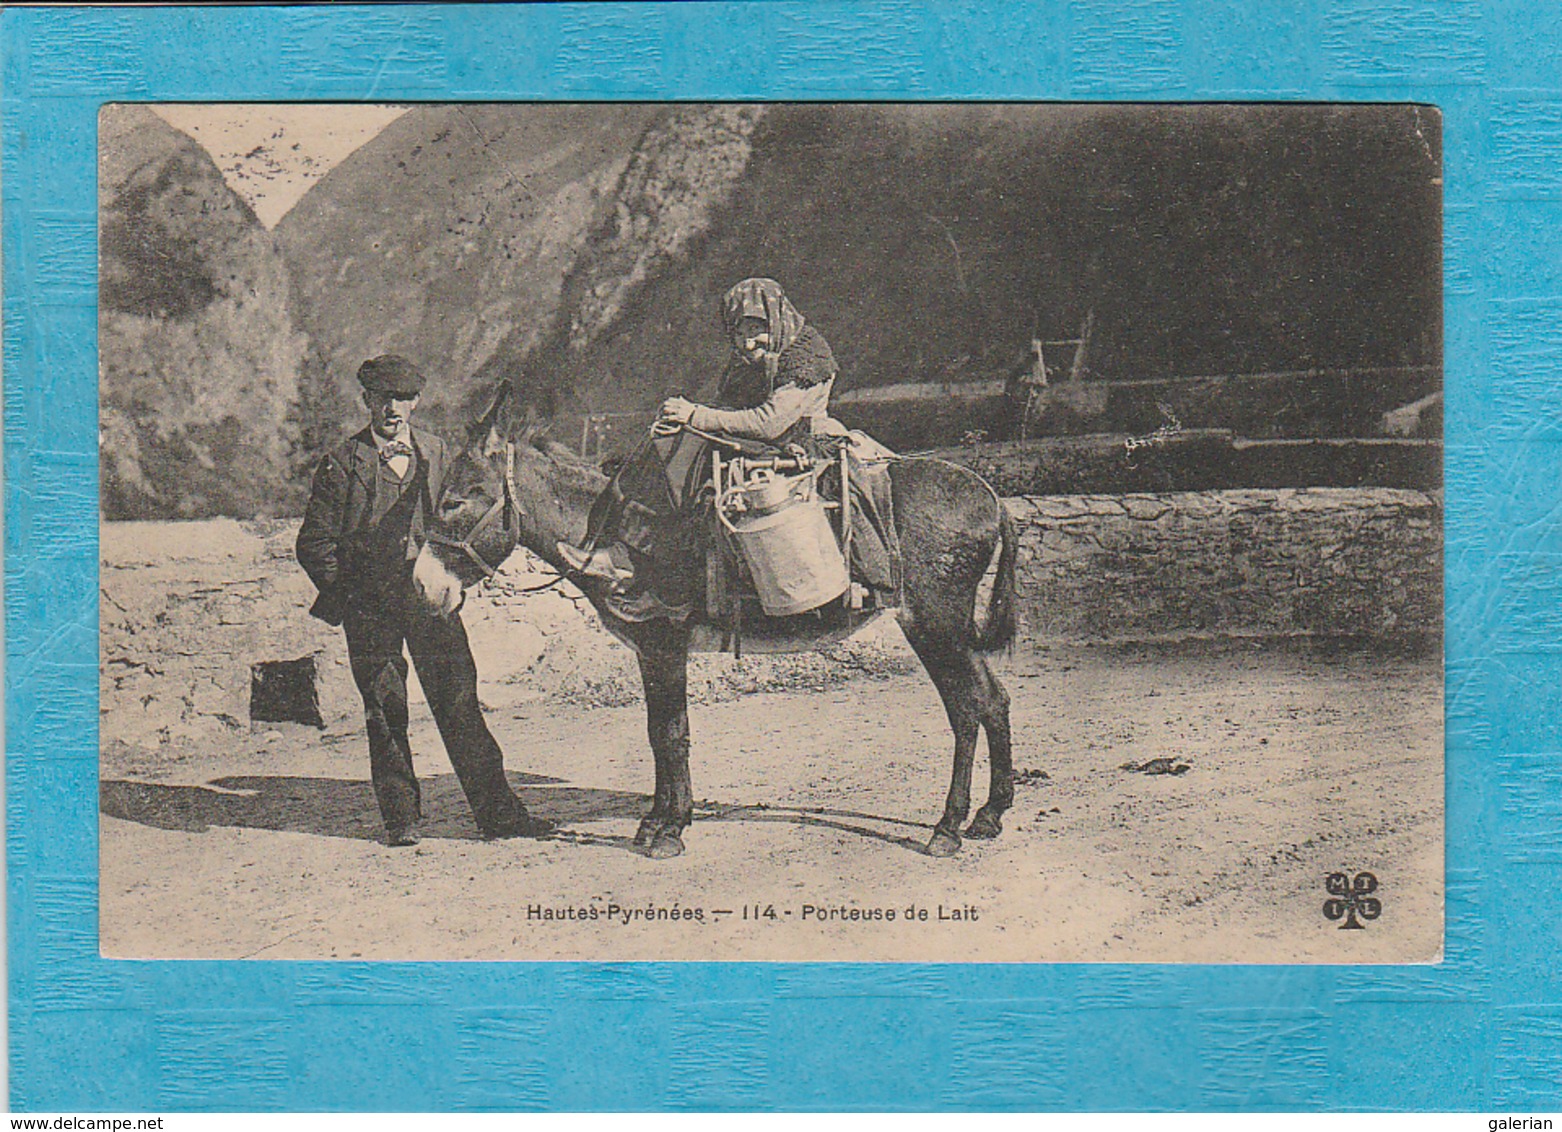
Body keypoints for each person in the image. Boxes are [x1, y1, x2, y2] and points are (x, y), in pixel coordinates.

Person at [296, 354, 546, 847]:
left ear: (415, 402)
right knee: (386, 710)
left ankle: (499, 816)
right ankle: (401, 819)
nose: (392, 409)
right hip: (371, 611)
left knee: (459, 704)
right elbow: (313, 545)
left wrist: (456, 581)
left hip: (430, 603)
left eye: (403, 398)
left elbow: (462, 523)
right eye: (382, 398)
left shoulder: (437, 453)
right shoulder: (342, 464)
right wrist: (351, 600)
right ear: (367, 401)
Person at [559, 278, 847, 621]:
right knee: (669, 445)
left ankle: (665, 585)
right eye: (740, 333)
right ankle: (635, 563)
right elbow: (730, 406)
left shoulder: (805, 359)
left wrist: (696, 414)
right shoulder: (754, 357)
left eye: (757, 330)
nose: (748, 341)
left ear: (778, 319)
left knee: (693, 472)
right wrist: (686, 419)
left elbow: (770, 421)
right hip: (766, 442)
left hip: (796, 443)